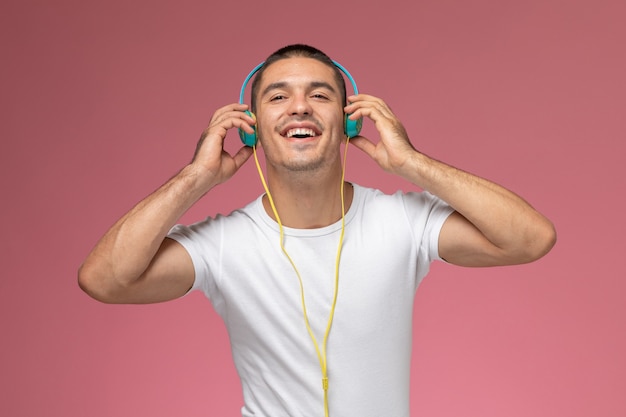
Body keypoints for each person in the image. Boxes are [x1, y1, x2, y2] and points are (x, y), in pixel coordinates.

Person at [78, 44, 556, 417]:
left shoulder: (405, 221)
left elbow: (530, 239)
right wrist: (196, 177)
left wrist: (412, 163)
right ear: (252, 129)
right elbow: (104, 280)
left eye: (321, 95)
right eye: (278, 96)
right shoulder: (223, 243)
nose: (300, 107)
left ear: (349, 122)